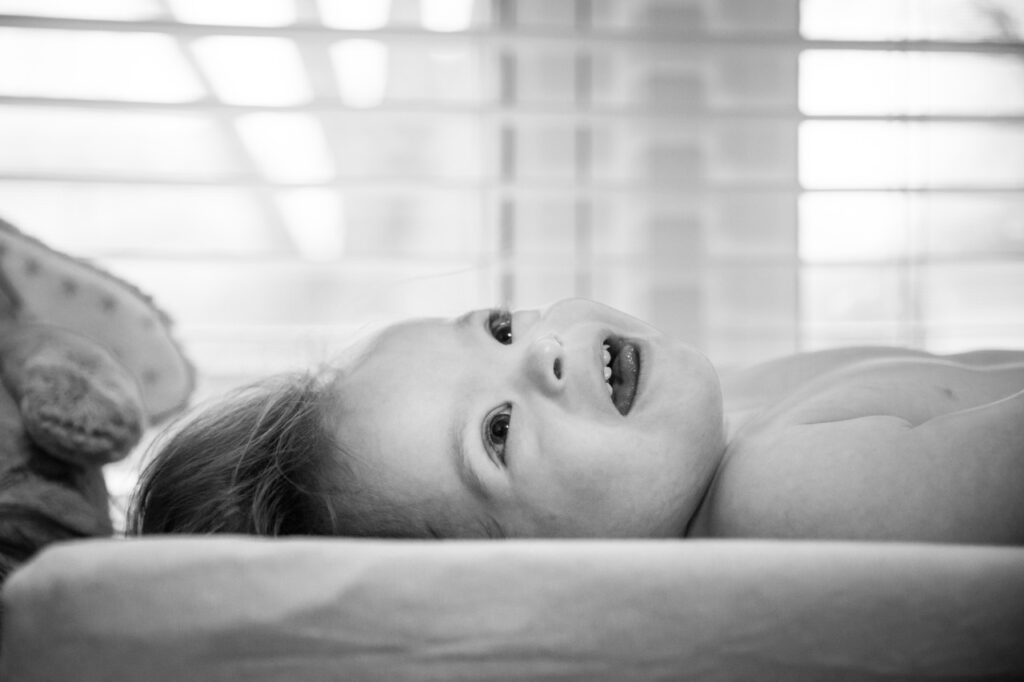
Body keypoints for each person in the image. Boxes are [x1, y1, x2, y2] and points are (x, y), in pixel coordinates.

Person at [127, 299, 1024, 544]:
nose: (539, 354)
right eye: (499, 434)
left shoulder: (723, 427)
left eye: (502, 328)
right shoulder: (777, 499)